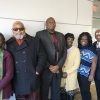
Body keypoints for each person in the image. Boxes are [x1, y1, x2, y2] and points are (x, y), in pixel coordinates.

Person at [6, 21, 46, 100]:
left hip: (32, 78)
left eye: (21, 29)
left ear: (24, 29)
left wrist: (38, 70)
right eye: (15, 29)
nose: (18, 31)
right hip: (17, 80)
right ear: (12, 30)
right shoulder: (9, 44)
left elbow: (43, 56)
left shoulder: (35, 41)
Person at [36, 17, 66, 100]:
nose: (52, 24)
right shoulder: (39, 34)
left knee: (56, 92)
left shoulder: (61, 35)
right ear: (46, 24)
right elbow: (38, 53)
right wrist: (49, 66)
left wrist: (58, 66)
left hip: (57, 69)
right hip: (45, 69)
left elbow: (64, 53)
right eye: (49, 22)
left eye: (53, 22)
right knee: (44, 92)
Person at [78, 32, 97, 100]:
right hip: (79, 73)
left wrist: (91, 75)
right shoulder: (79, 48)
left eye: (86, 39)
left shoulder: (91, 49)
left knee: (86, 91)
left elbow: (94, 63)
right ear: (80, 40)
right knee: (82, 90)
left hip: (87, 74)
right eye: (82, 39)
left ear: (88, 40)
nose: (84, 40)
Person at [61, 33, 80, 100]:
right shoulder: (62, 49)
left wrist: (66, 72)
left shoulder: (76, 50)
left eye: (72, 39)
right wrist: (61, 72)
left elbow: (76, 65)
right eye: (68, 39)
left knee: (70, 94)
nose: (70, 41)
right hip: (61, 74)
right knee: (62, 93)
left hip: (71, 75)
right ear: (65, 40)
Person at [0, 33, 13, 100]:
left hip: (3, 90)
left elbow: (9, 74)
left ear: (2, 42)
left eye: (0, 40)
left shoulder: (6, 54)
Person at [93, 29, 100, 100]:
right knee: (98, 90)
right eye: (96, 34)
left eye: (99, 34)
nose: (98, 35)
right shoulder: (93, 45)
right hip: (96, 74)